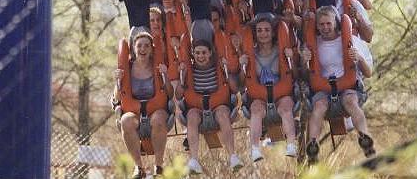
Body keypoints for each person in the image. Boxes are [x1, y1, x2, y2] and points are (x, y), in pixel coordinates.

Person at [301, 6, 375, 162]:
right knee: (319, 106)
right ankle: (312, 146)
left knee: (351, 102)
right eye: (321, 25)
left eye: (328, 23)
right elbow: (304, 76)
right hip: (323, 90)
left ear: (336, 22)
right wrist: (304, 61)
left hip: (347, 86)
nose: (325, 28)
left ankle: (364, 137)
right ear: (317, 26)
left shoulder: (351, 40)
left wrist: (359, 58)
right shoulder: (314, 44)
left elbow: (369, 72)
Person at [176, 39, 243, 174]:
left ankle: (233, 156)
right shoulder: (189, 70)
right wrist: (182, 78)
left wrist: (226, 71)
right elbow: (178, 95)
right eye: (197, 53)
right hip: (196, 106)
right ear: (193, 54)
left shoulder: (218, 67)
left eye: (204, 53)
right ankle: (194, 160)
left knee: (223, 114)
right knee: (192, 117)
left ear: (210, 53)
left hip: (218, 104)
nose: (201, 56)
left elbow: (235, 89)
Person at [113, 31, 174, 178]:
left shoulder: (157, 67)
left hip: (156, 110)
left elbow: (170, 93)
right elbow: (116, 97)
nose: (143, 49)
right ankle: (139, 167)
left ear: (151, 49)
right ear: (134, 48)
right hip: (133, 111)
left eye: (147, 46)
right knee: (126, 121)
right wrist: (117, 81)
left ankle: (159, 166)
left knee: (158, 120)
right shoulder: (127, 68)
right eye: (139, 45)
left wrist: (165, 76)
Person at [239, 13, 297, 161]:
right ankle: (255, 149)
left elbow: (295, 74)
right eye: (259, 30)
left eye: (266, 30)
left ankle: (291, 144)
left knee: (285, 108)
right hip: (259, 95)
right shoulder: (251, 53)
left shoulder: (281, 50)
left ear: (272, 32)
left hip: (281, 93)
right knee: (256, 110)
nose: (263, 33)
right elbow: (241, 82)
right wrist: (242, 66)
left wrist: (292, 59)